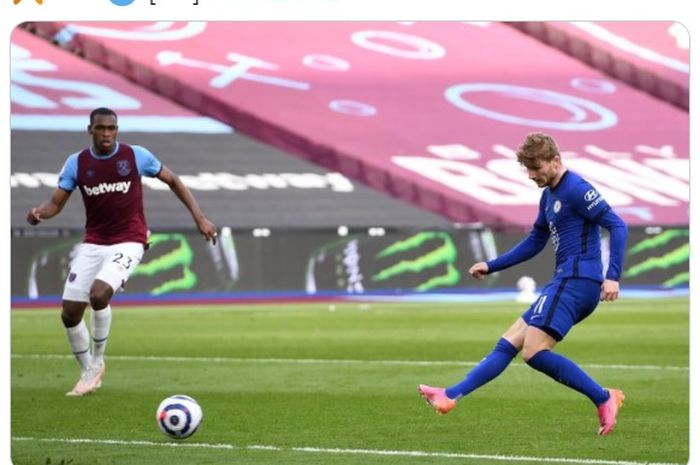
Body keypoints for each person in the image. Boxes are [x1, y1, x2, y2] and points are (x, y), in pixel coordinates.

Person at [418, 132, 629, 436]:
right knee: (509, 342)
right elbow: (534, 242)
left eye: (536, 168)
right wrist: (492, 265)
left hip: (578, 281)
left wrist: (613, 275)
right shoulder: (549, 196)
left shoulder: (577, 189)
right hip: (566, 281)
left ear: (555, 160)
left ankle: (603, 397)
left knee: (533, 352)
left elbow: (617, 224)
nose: (532, 175)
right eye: (528, 169)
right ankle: (450, 395)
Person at [26, 107, 218, 396]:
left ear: (117, 129)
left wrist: (200, 217)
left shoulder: (135, 156)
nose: (106, 134)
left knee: (99, 294)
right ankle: (88, 371)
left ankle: (98, 362)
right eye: (101, 128)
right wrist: (40, 213)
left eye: (111, 128)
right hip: (94, 242)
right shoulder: (76, 163)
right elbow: (56, 202)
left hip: (130, 239)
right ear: (90, 130)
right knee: (69, 313)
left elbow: (174, 181)